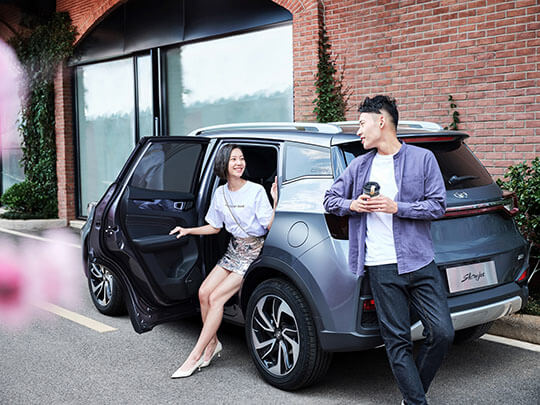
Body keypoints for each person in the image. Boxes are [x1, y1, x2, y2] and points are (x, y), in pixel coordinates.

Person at [324, 95, 454, 405]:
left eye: (361, 123)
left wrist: (398, 207)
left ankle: (412, 394)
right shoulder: (359, 165)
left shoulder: (423, 159)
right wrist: (352, 204)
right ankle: (415, 401)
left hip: (419, 262)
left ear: (381, 121)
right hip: (380, 266)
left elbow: (438, 206)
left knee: (442, 332)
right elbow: (330, 199)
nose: (359, 131)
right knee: (397, 342)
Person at [169, 144, 277, 378]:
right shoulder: (220, 193)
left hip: (253, 252)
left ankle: (194, 356)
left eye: (241, 158)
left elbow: (269, 226)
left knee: (216, 298)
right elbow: (215, 227)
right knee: (203, 293)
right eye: (233, 159)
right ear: (224, 164)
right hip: (233, 250)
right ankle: (213, 344)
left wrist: (275, 201)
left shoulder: (256, 191)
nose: (239, 163)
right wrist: (188, 230)